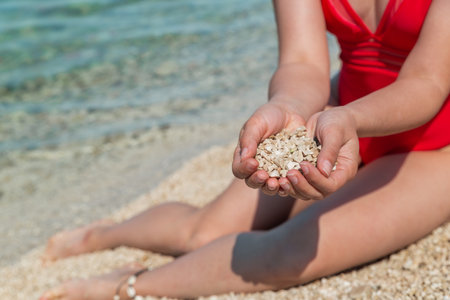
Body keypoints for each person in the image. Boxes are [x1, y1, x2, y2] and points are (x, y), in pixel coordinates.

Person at [40, 0, 450, 299]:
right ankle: (103, 234)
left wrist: (350, 120)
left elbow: (427, 83)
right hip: (336, 116)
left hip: (433, 146)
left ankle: (128, 285)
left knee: (286, 254)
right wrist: (286, 107)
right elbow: (304, 63)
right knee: (201, 233)